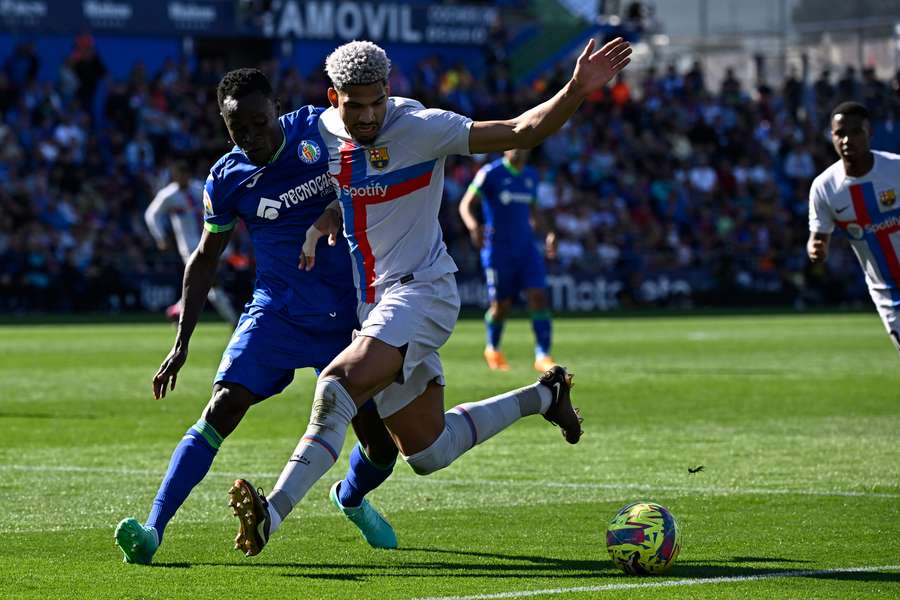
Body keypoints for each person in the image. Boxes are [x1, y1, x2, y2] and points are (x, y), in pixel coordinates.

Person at [227, 38, 631, 556]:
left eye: (378, 101)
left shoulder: (421, 128)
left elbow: (520, 130)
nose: (369, 115)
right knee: (428, 451)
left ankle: (271, 513)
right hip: (374, 305)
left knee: (336, 386)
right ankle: (545, 396)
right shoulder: (321, 134)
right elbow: (341, 185)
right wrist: (324, 220)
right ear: (334, 98)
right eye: (356, 105)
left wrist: (576, 89)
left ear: (388, 91)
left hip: (424, 290)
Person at [115, 68, 399, 565]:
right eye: (237, 130)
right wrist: (182, 342)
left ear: (277, 108)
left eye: (258, 123)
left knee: (382, 450)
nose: (251, 137)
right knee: (222, 405)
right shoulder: (227, 178)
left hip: (348, 316)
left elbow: (376, 159)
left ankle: (349, 497)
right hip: (277, 312)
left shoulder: (320, 128)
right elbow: (205, 257)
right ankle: (153, 529)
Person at [808, 101, 900, 354]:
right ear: (832, 136)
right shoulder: (824, 187)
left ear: (869, 132)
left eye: (855, 131)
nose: (847, 139)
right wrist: (816, 248)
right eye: (840, 133)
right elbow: (818, 236)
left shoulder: (896, 169)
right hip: (888, 293)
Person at [459, 148, 558, 372]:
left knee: (539, 297)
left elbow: (533, 211)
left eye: (524, 144)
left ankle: (543, 355)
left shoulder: (531, 175)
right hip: (498, 251)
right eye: (514, 143)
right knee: (501, 306)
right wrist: (474, 226)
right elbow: (465, 204)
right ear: (505, 146)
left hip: (527, 249)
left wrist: (548, 233)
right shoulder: (490, 173)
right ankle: (492, 349)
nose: (518, 148)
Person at [144, 160, 239, 326]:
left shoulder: (199, 188)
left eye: (185, 175)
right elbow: (151, 215)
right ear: (175, 177)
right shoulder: (168, 195)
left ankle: (177, 310)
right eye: (179, 175)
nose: (183, 179)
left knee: (200, 284)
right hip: (188, 247)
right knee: (210, 282)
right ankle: (234, 321)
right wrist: (160, 237)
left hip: (210, 240)